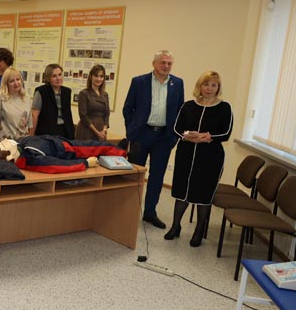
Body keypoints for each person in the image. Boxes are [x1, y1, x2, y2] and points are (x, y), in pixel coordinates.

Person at [166, 71, 233, 246]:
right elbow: (176, 128)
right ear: (200, 86)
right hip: (186, 154)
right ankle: (175, 226)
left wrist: (207, 136)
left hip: (210, 157)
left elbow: (226, 133)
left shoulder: (224, 108)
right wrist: (188, 136)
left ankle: (199, 231)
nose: (209, 88)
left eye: (213, 85)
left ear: (218, 88)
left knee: (203, 193)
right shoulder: (188, 106)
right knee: (182, 191)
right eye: (206, 84)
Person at [123, 50, 185, 229]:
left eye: (169, 63)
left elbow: (180, 111)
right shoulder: (139, 81)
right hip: (141, 134)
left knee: (157, 177)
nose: (166, 66)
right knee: (135, 174)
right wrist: (132, 130)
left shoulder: (177, 83)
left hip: (164, 137)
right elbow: (128, 109)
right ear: (154, 63)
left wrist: (174, 136)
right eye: (162, 62)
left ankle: (150, 212)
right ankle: (129, 210)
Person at [0, 67, 32, 148]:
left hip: (21, 143)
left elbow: (30, 124)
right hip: (3, 143)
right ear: (6, 83)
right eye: (12, 81)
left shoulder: (27, 98)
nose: (16, 83)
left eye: (18, 79)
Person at [30, 64, 75, 139]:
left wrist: (72, 135)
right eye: (54, 76)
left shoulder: (67, 91)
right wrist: (31, 136)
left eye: (60, 75)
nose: (58, 78)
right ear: (48, 79)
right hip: (46, 132)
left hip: (65, 131)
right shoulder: (41, 92)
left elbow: (68, 114)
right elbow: (34, 116)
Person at [75, 64, 110, 141]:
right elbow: (83, 115)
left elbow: (107, 114)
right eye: (96, 76)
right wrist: (97, 132)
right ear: (91, 76)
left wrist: (104, 130)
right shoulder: (84, 93)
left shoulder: (105, 94)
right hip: (87, 129)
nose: (99, 79)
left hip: (101, 130)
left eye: (101, 76)